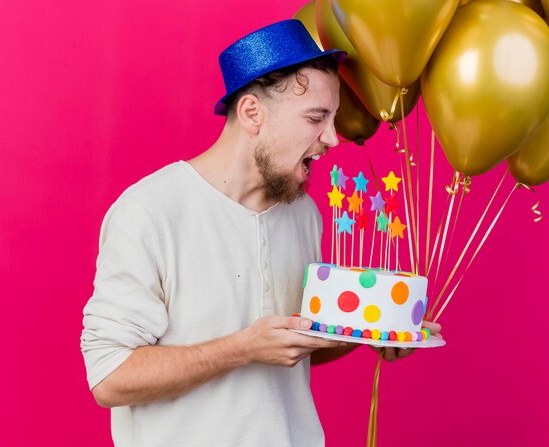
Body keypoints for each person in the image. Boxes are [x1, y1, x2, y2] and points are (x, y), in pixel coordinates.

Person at [81, 19, 441, 447]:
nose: (331, 138)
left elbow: (289, 344)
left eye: (333, 118)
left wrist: (372, 332)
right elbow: (109, 375)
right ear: (253, 113)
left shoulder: (303, 212)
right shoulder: (150, 211)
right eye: (315, 118)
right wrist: (242, 348)